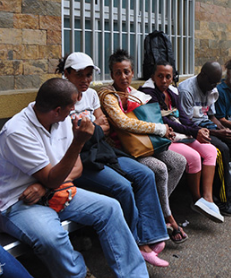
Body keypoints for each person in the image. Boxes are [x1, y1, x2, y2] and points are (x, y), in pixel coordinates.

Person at [0, 78, 149, 278]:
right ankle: (78, 274)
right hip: (19, 201)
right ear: (58, 110)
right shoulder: (17, 132)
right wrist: (78, 142)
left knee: (110, 208)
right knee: (51, 238)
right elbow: (53, 177)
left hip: (54, 188)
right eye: (71, 108)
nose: (74, 112)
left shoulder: (59, 120)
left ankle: (134, 275)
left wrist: (45, 187)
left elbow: (76, 168)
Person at [57, 52, 173, 267]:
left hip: (102, 150)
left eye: (89, 75)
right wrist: (94, 127)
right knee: (123, 186)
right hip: (80, 157)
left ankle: (152, 236)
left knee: (146, 174)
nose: (85, 80)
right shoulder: (61, 97)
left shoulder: (91, 95)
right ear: (67, 74)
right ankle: (135, 244)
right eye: (80, 75)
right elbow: (70, 136)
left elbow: (105, 126)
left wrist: (90, 128)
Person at [98, 49, 192, 242]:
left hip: (146, 144)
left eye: (127, 72)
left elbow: (151, 117)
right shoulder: (108, 96)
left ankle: (156, 212)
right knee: (159, 168)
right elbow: (123, 123)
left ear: (133, 73)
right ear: (111, 74)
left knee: (179, 161)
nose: (123, 77)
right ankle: (168, 217)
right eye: (118, 72)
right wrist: (159, 128)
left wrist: (166, 130)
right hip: (125, 150)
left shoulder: (137, 94)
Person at [139, 61, 224, 223]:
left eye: (168, 77)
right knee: (192, 157)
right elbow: (163, 120)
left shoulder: (173, 92)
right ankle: (196, 199)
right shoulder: (147, 93)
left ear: (173, 78)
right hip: (165, 137)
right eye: (160, 76)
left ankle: (207, 199)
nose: (164, 80)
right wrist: (194, 131)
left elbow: (183, 117)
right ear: (153, 76)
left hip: (181, 134)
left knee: (211, 150)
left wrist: (197, 129)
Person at [178, 61, 231, 198]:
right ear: (202, 76)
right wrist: (217, 133)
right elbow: (186, 124)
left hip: (209, 126)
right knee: (222, 149)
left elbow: (212, 116)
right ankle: (222, 196)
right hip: (195, 130)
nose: (214, 87)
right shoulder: (186, 90)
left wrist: (223, 129)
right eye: (212, 83)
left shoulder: (211, 87)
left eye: (216, 83)